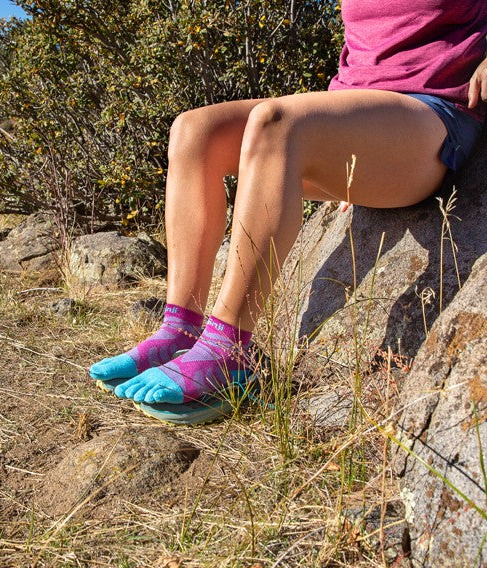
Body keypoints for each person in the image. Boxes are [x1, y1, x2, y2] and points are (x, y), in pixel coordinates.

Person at [90, 1, 487, 422]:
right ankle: (180, 330)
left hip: (430, 116)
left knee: (277, 121)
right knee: (194, 131)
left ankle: (228, 351)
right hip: (353, 116)